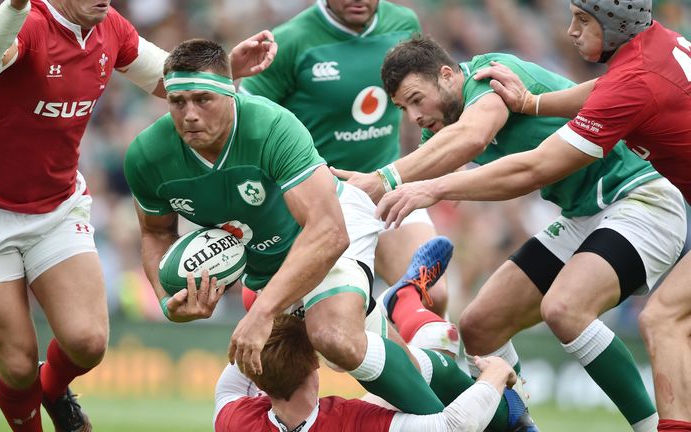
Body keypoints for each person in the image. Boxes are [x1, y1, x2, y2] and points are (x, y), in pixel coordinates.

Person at [124, 39, 537, 432]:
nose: (189, 114)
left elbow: (327, 233)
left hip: (335, 226)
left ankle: (474, 421)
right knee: (288, 369)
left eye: (203, 100)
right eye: (178, 102)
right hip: (268, 270)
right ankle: (418, 315)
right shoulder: (147, 156)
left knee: (334, 337)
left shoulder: (270, 127)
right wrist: (167, 300)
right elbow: (155, 233)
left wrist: (263, 313)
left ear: (229, 95)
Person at [0, 1, 276, 431]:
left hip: (54, 206)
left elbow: (168, 81)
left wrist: (224, 74)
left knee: (88, 343)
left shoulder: (111, 27)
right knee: (17, 365)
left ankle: (52, 388)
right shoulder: (31, 23)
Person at [334, 34, 687, 432]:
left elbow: (476, 142)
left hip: (640, 196)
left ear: (448, 75)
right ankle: (522, 427)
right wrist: (350, 200)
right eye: (403, 108)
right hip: (583, 215)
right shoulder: (442, 130)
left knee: (565, 308)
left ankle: (650, 426)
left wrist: (392, 179)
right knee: (480, 325)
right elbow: (425, 171)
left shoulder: (490, 77)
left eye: (416, 99)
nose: (413, 116)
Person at [239, 0, 449, 318]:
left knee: (433, 295)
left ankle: (420, 351)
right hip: (324, 201)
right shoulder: (291, 41)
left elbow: (431, 93)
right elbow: (245, 121)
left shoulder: (403, 23)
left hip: (386, 184)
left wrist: (448, 146)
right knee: (333, 325)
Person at [214, 312, 519, 432]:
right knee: (440, 343)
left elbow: (239, 368)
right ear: (315, 363)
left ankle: (403, 305)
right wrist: (496, 373)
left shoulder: (236, 420)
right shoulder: (353, 422)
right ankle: (397, 305)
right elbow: (455, 426)